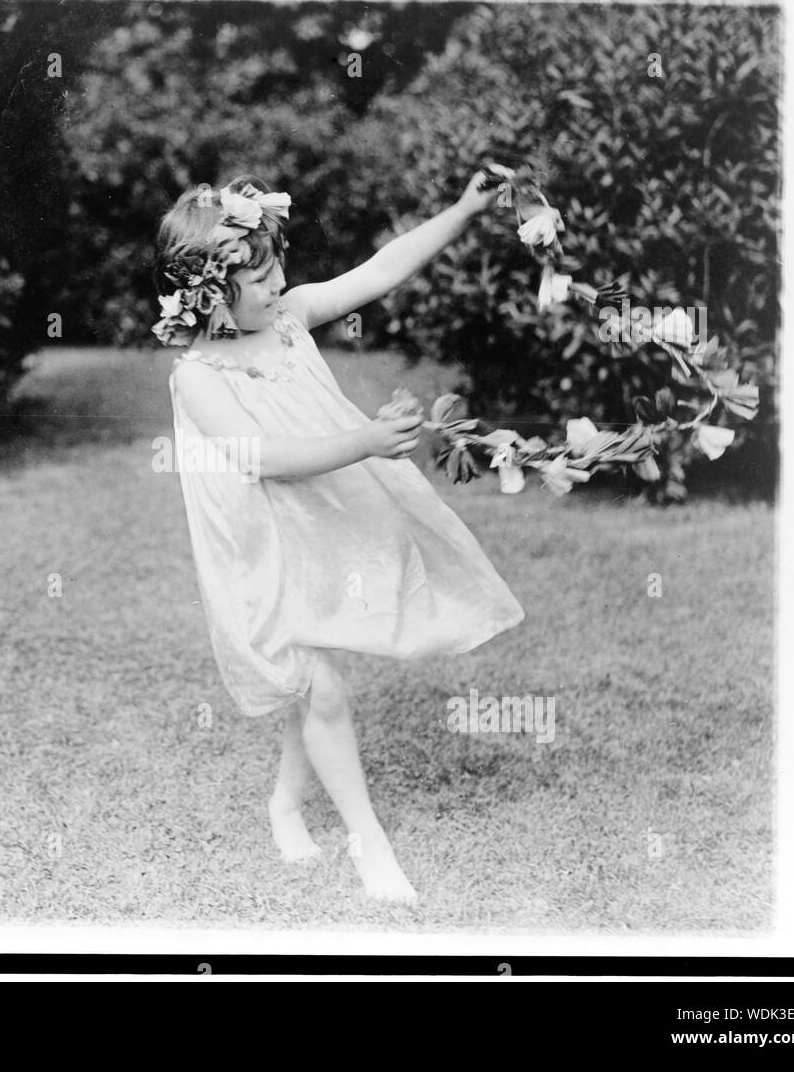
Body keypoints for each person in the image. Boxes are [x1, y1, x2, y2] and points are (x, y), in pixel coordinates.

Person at [157, 172, 524, 902]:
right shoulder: (197, 374)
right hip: (264, 550)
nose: (279, 284)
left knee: (314, 687)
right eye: (259, 279)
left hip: (324, 530)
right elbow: (262, 458)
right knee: (320, 688)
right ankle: (369, 843)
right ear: (208, 292)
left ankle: (286, 804)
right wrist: (362, 439)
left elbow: (382, 269)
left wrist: (463, 208)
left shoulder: (289, 318)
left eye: (277, 268)